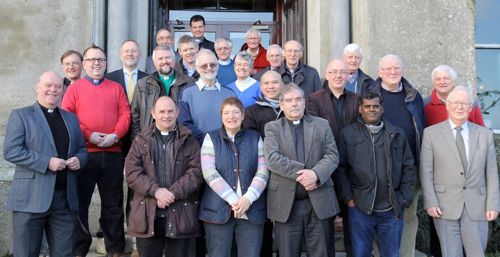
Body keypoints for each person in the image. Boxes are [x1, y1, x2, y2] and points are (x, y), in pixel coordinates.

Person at [4, 71, 87, 257]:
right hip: (30, 199)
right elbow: (11, 151)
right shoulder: (21, 115)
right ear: (38, 87)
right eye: (48, 85)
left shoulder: (71, 118)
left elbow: (82, 149)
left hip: (64, 201)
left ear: (63, 90)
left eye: (58, 86)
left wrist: (79, 160)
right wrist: (46, 162)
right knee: (26, 253)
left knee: (65, 254)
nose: (53, 90)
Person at [62, 44, 130, 257]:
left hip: (112, 154)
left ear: (106, 63)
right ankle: (79, 249)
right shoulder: (74, 89)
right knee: (80, 204)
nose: (96, 63)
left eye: (100, 59)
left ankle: (115, 249)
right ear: (84, 65)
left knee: (113, 205)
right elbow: (68, 116)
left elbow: (125, 114)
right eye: (91, 60)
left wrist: (115, 135)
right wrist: (89, 134)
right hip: (84, 155)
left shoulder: (116, 88)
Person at [420, 86, 500, 257]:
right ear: (447, 106)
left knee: (476, 253)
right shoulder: (431, 134)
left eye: (464, 103)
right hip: (443, 205)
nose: (460, 107)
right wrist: (430, 201)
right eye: (455, 102)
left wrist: (493, 204)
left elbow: (491, 173)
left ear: (471, 108)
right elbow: (426, 172)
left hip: (477, 205)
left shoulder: (484, 135)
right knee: (450, 253)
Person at [336, 91, 416, 257]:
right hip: (360, 208)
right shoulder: (348, 134)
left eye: (375, 106)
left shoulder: (397, 134)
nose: (371, 109)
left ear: (382, 109)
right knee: (360, 253)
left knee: (391, 254)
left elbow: (408, 167)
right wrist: (349, 199)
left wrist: (404, 198)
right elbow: (340, 168)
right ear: (360, 109)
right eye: (367, 106)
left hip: (391, 208)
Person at [264, 84, 340, 257]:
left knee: (322, 253)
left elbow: (332, 155)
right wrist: (306, 173)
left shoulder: (322, 125)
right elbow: (273, 159)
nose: (294, 104)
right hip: (287, 205)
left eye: (298, 99)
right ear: (281, 105)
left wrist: (316, 174)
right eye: (289, 100)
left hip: (319, 201)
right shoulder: (272, 128)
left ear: (304, 103)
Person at [126, 96, 204, 257]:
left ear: (177, 113)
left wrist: (172, 193)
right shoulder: (141, 140)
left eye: (170, 111)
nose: (166, 115)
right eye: (161, 111)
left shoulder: (190, 140)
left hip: (180, 214)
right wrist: (156, 191)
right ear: (153, 113)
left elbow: (196, 173)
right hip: (148, 214)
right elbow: (132, 172)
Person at [362, 54, 424, 257]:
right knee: (381, 215)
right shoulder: (370, 95)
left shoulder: (413, 96)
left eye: (396, 68)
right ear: (380, 72)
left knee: (408, 214)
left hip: (409, 167)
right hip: (379, 166)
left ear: (402, 70)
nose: (392, 72)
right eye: (387, 69)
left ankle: (406, 254)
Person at [199, 97, 269, 257]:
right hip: (218, 211)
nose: (231, 117)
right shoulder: (211, 138)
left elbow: (263, 171)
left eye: (235, 112)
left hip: (251, 210)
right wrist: (233, 200)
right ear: (221, 116)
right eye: (227, 113)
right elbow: (209, 172)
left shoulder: (255, 137)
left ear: (243, 115)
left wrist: (248, 199)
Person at [306, 59, 359, 257]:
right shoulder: (313, 99)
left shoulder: (356, 99)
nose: (338, 76)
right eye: (333, 72)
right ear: (326, 75)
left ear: (348, 75)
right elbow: (315, 132)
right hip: (325, 168)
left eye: (342, 72)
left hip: (351, 169)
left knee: (352, 222)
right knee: (324, 224)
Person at [242, 70, 284, 257]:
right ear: (261, 87)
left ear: (281, 85)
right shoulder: (251, 112)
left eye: (275, 82)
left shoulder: (290, 107)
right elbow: (251, 144)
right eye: (266, 83)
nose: (271, 86)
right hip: (262, 173)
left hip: (287, 174)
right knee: (264, 223)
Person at [131, 45, 194, 140]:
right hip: (150, 139)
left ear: (174, 60)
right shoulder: (143, 84)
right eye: (160, 58)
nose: (164, 61)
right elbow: (135, 116)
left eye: (168, 57)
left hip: (181, 139)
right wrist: (141, 140)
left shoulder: (189, 82)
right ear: (154, 62)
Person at [178, 49, 236, 143]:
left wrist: (220, 141)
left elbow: (235, 121)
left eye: (213, 65)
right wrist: (207, 140)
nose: (209, 68)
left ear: (218, 66)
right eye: (204, 66)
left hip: (225, 146)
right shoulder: (186, 93)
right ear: (197, 68)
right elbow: (184, 123)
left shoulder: (230, 94)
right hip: (196, 147)